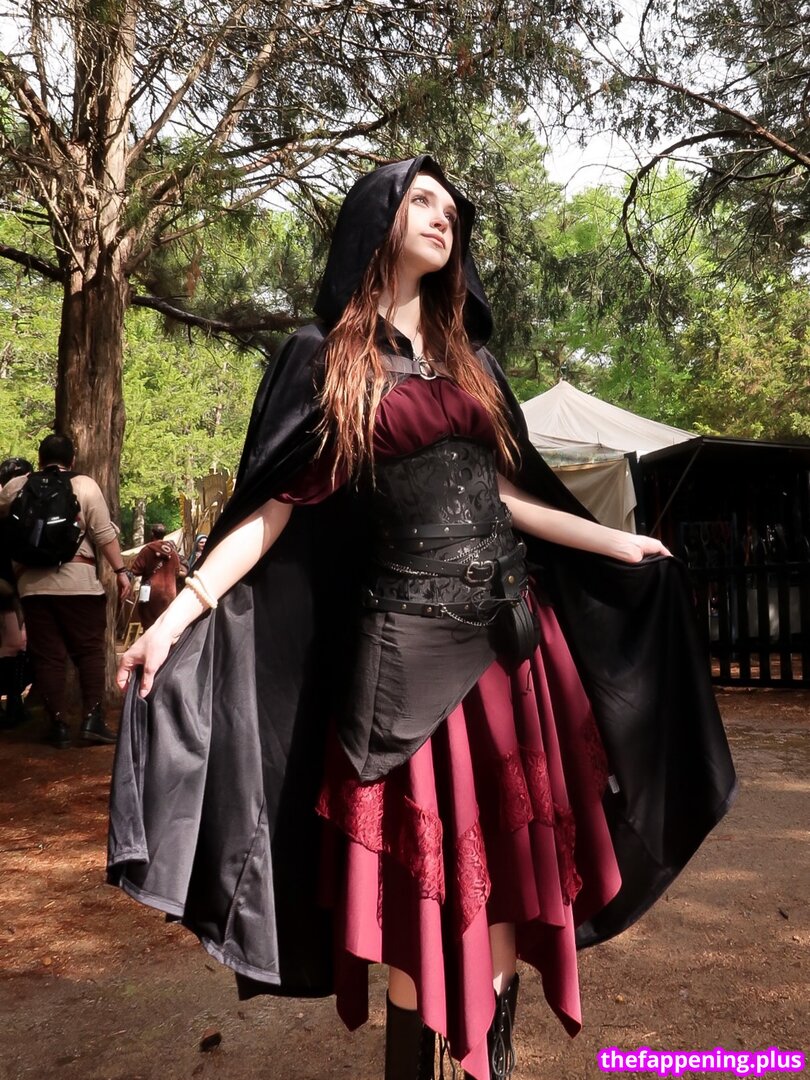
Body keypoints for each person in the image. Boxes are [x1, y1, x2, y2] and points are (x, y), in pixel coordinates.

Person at [109, 158, 736, 1080]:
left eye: (451, 208)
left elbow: (510, 497)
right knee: (422, 889)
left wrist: (615, 543)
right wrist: (175, 617)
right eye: (422, 202)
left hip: (507, 648)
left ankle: (490, 1060)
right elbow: (273, 510)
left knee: (510, 873)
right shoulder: (324, 357)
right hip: (404, 657)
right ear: (378, 220)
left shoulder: (470, 361)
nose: (444, 218)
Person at [0, 435, 131, 748]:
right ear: (72, 459)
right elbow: (103, 534)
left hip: (32, 586)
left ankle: (57, 724)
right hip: (79, 582)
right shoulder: (84, 484)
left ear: (40, 458)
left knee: (48, 656)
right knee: (89, 652)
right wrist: (121, 571)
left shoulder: (17, 486)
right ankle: (92, 720)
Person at [0, 457, 33, 729]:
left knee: (17, 645)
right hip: (6, 588)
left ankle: (14, 703)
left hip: (13, 586)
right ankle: (13, 705)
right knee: (14, 644)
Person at [131, 524, 182, 630]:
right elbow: (177, 572)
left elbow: (136, 570)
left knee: (149, 624)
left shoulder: (147, 550)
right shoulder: (173, 552)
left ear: (152, 534)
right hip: (170, 593)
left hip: (151, 593)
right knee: (165, 624)